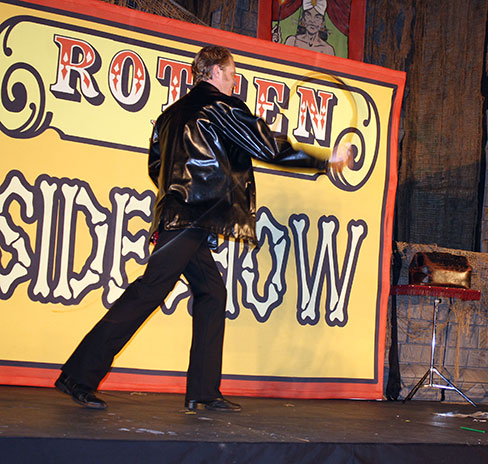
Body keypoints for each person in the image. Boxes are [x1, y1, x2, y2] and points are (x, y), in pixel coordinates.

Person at [55, 45, 349, 411]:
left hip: (181, 216)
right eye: (231, 72)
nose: (234, 79)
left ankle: (203, 392)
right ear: (213, 73)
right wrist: (325, 160)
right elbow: (269, 146)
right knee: (150, 290)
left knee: (212, 292)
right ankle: (78, 375)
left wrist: (187, 190)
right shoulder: (220, 106)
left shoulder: (169, 116)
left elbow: (156, 168)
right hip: (191, 217)